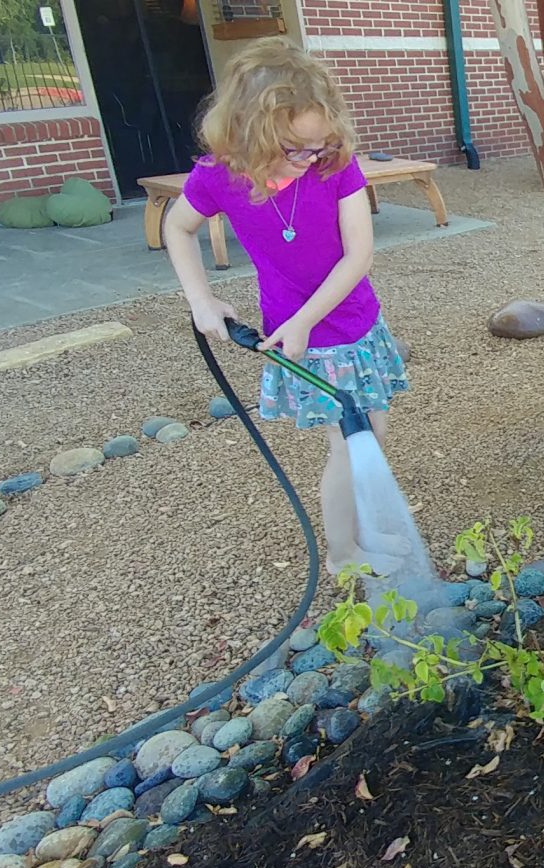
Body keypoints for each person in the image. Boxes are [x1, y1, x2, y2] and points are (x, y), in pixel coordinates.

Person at [161, 37, 410, 577]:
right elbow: (177, 228)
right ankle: (344, 556)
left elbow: (357, 256)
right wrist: (202, 300)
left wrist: (304, 319)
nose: (309, 158)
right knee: (349, 443)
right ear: (249, 130)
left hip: (352, 323)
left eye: (317, 145)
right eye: (295, 147)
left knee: (373, 433)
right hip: (306, 340)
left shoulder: (334, 166)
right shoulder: (219, 176)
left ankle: (361, 532)